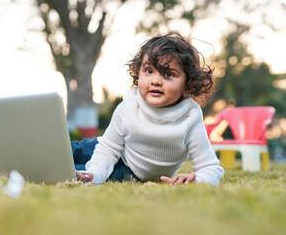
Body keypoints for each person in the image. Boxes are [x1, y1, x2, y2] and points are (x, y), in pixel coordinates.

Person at [73, 31, 224, 186]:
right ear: (139, 74)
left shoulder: (190, 117)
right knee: (64, 150)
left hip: (129, 169)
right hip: (101, 148)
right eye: (149, 71)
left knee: (69, 173)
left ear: (188, 86)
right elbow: (108, 149)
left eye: (168, 74)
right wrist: (96, 172)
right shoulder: (129, 105)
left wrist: (196, 181)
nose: (156, 81)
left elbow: (210, 168)